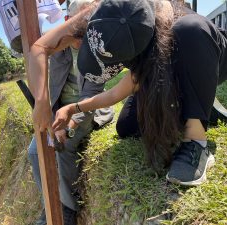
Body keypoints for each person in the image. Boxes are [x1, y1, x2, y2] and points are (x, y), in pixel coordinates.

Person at [28, 0, 227, 187]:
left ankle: (196, 140)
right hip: (158, 61)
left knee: (189, 29)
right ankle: (196, 105)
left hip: (204, 52)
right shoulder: (99, 11)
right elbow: (40, 47)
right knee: (127, 126)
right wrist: (55, 105)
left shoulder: (161, 27)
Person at [27, 0, 114, 224]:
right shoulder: (56, 46)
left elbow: (90, 99)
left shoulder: (97, 51)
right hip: (58, 109)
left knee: (63, 147)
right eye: (78, 31)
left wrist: (70, 127)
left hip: (87, 108)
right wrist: (43, 105)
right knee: (35, 151)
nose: (82, 38)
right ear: (68, 23)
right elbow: (36, 56)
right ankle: (49, 203)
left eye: (89, 30)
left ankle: (67, 209)